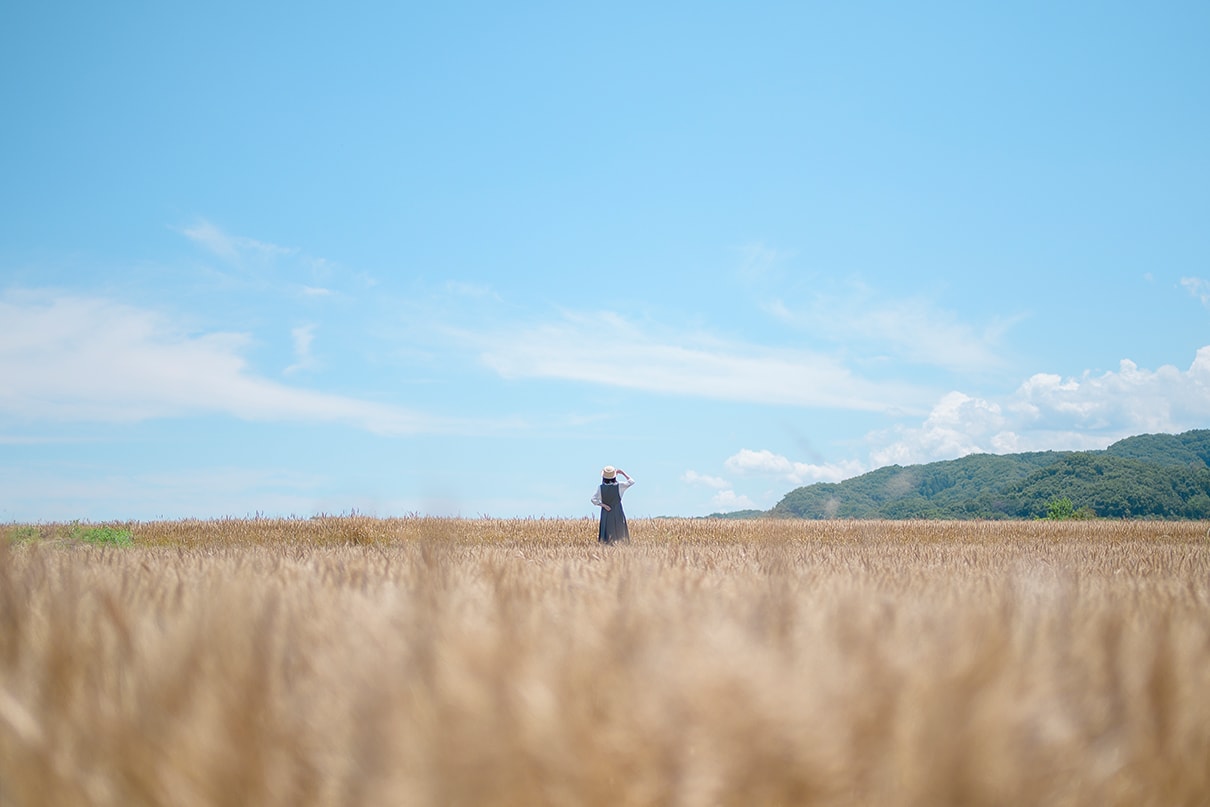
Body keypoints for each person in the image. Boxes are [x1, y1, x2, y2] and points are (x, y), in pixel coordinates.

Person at [591, 466, 634, 544]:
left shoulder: (600, 488)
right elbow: (631, 481)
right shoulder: (620, 485)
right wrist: (622, 473)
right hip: (618, 511)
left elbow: (593, 499)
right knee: (620, 530)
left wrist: (603, 505)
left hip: (606, 512)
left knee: (606, 531)